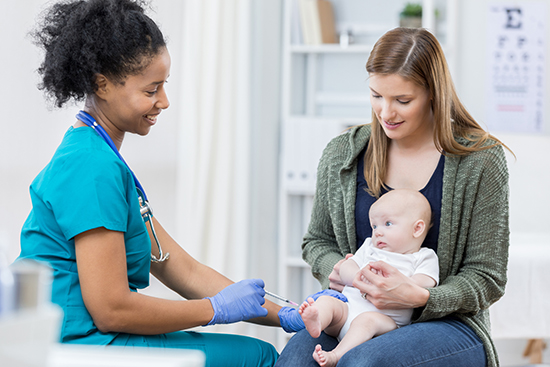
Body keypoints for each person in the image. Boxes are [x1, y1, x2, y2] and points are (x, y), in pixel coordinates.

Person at [15, 0, 332, 365]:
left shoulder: (98, 154)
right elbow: (111, 309)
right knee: (256, 356)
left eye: (164, 86)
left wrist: (287, 313)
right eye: (151, 90)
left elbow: (180, 267)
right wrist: (212, 310)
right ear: (102, 85)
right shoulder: (90, 166)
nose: (164, 101)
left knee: (255, 350)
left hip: (98, 337)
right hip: (80, 345)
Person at [275, 27, 511, 367]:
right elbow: (318, 243)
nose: (386, 113)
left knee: (365, 362)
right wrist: (350, 273)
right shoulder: (343, 154)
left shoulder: (480, 160)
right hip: (353, 308)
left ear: (433, 93)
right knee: (295, 362)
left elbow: (486, 276)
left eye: (402, 101)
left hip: (448, 324)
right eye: (376, 96)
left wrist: (418, 296)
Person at [300, 189, 439, 367]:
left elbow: (426, 282)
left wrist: (401, 285)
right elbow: (348, 266)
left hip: (384, 324)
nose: (378, 232)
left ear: (417, 228)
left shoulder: (423, 257)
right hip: (346, 312)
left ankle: (336, 355)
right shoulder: (369, 248)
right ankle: (317, 320)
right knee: (328, 300)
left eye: (387, 223)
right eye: (374, 226)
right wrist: (356, 276)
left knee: (367, 320)